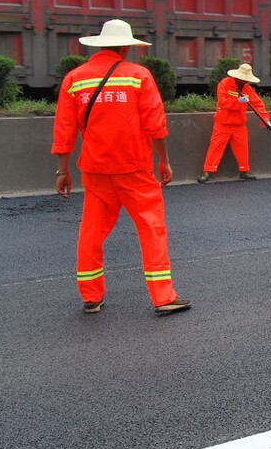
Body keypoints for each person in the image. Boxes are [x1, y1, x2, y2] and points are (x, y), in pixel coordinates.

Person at [51, 19, 191, 316]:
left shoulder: (74, 79)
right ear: (126, 46)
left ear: (100, 44)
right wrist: (163, 160)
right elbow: (156, 126)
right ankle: (163, 297)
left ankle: (91, 297)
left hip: (95, 169)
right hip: (135, 168)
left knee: (91, 231)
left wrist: (62, 170)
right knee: (151, 229)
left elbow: (64, 130)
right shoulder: (138, 75)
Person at [198, 62, 271, 182]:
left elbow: (258, 104)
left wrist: (265, 118)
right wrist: (238, 102)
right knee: (215, 148)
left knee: (242, 149)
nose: (245, 81)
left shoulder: (247, 88)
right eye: (244, 79)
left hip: (239, 125)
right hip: (223, 123)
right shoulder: (224, 84)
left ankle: (244, 171)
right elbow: (222, 102)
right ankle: (207, 172)